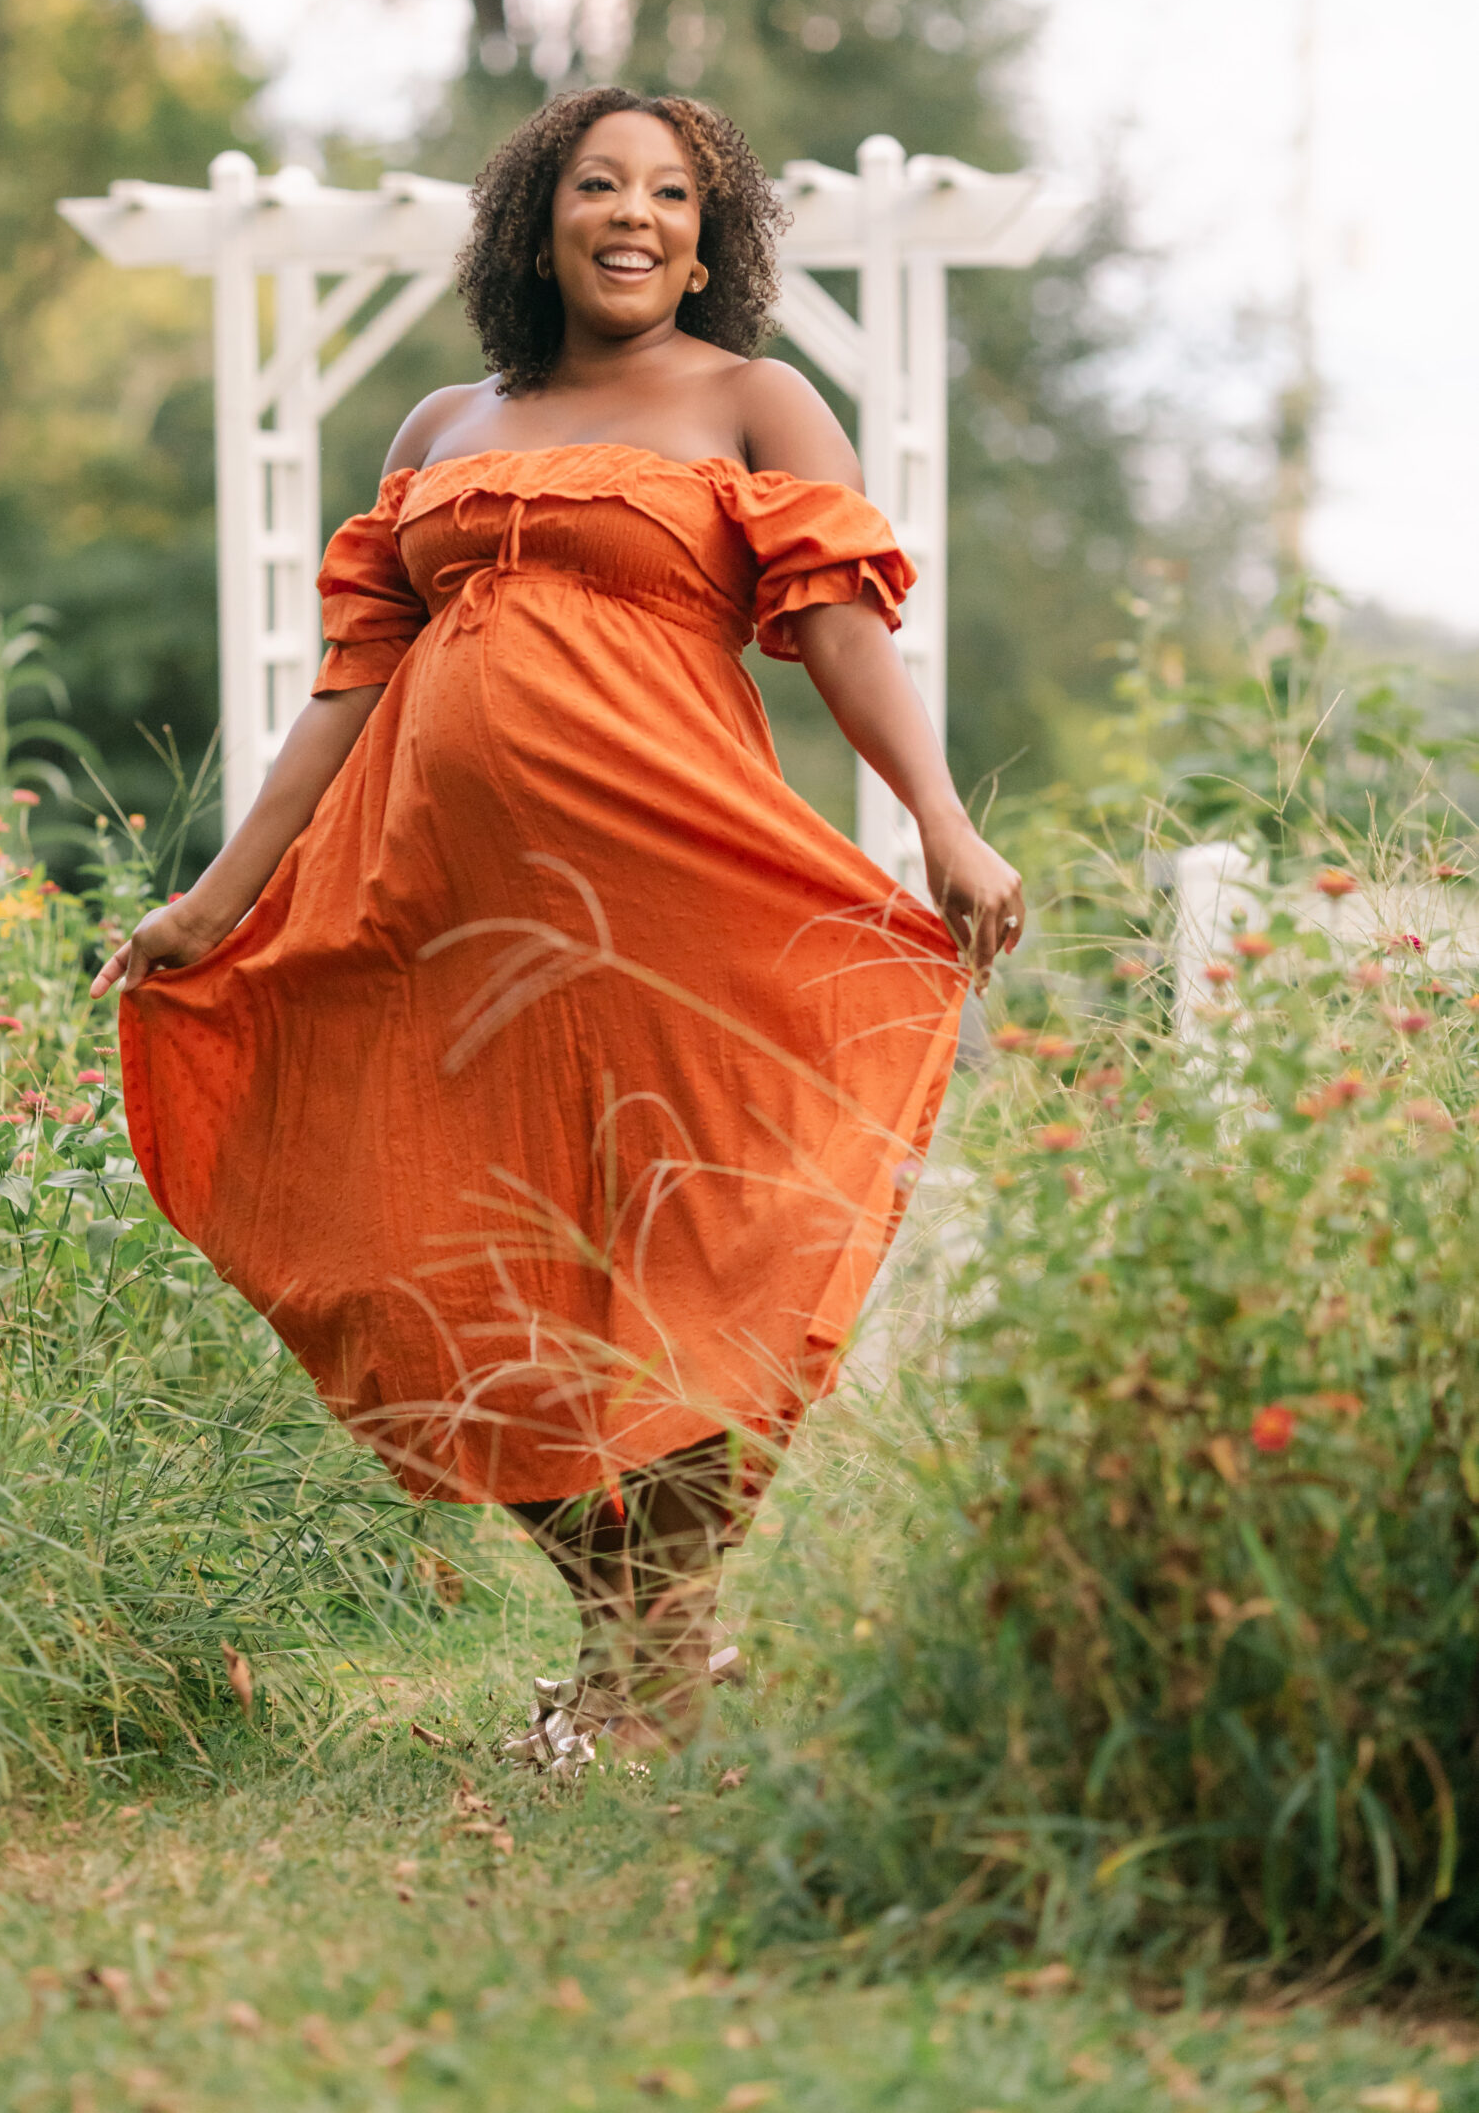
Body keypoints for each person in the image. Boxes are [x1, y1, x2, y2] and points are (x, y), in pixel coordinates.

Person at [92, 87, 1023, 1766]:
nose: (635, 216)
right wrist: (216, 898)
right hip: (440, 920)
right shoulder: (441, 425)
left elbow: (841, 636)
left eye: (672, 194)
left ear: (709, 233)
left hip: (679, 895)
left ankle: (640, 1677)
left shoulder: (756, 398)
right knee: (437, 1260)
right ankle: (647, 1652)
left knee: (686, 1256)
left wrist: (941, 822)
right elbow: (350, 686)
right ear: (537, 218)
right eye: (599, 185)